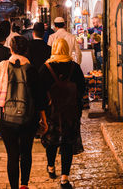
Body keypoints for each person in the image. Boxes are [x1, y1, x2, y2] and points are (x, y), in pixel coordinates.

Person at [0, 36, 48, 189]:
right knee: (26, 152)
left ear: (11, 49)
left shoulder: (1, 67)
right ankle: (24, 184)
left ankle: (14, 187)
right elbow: (40, 98)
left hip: (6, 119)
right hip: (28, 119)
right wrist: (44, 120)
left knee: (12, 155)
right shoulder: (32, 69)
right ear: (26, 50)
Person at [39, 38, 85, 189]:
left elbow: (39, 92)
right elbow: (82, 90)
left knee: (51, 140)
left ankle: (51, 167)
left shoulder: (45, 68)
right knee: (67, 143)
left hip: (51, 113)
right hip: (71, 113)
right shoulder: (75, 68)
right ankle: (64, 178)